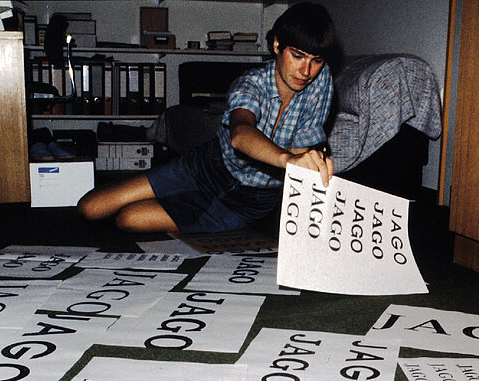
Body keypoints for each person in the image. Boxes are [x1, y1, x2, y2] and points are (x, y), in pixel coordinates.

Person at [77, 2, 338, 234]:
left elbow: (302, 146)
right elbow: (241, 133)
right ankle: (178, 211)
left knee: (129, 219)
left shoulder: (321, 80)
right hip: (207, 166)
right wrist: (288, 160)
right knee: (89, 208)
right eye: (298, 56)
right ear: (277, 45)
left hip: (249, 201)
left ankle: (182, 218)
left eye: (316, 60)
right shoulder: (250, 84)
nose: (306, 71)